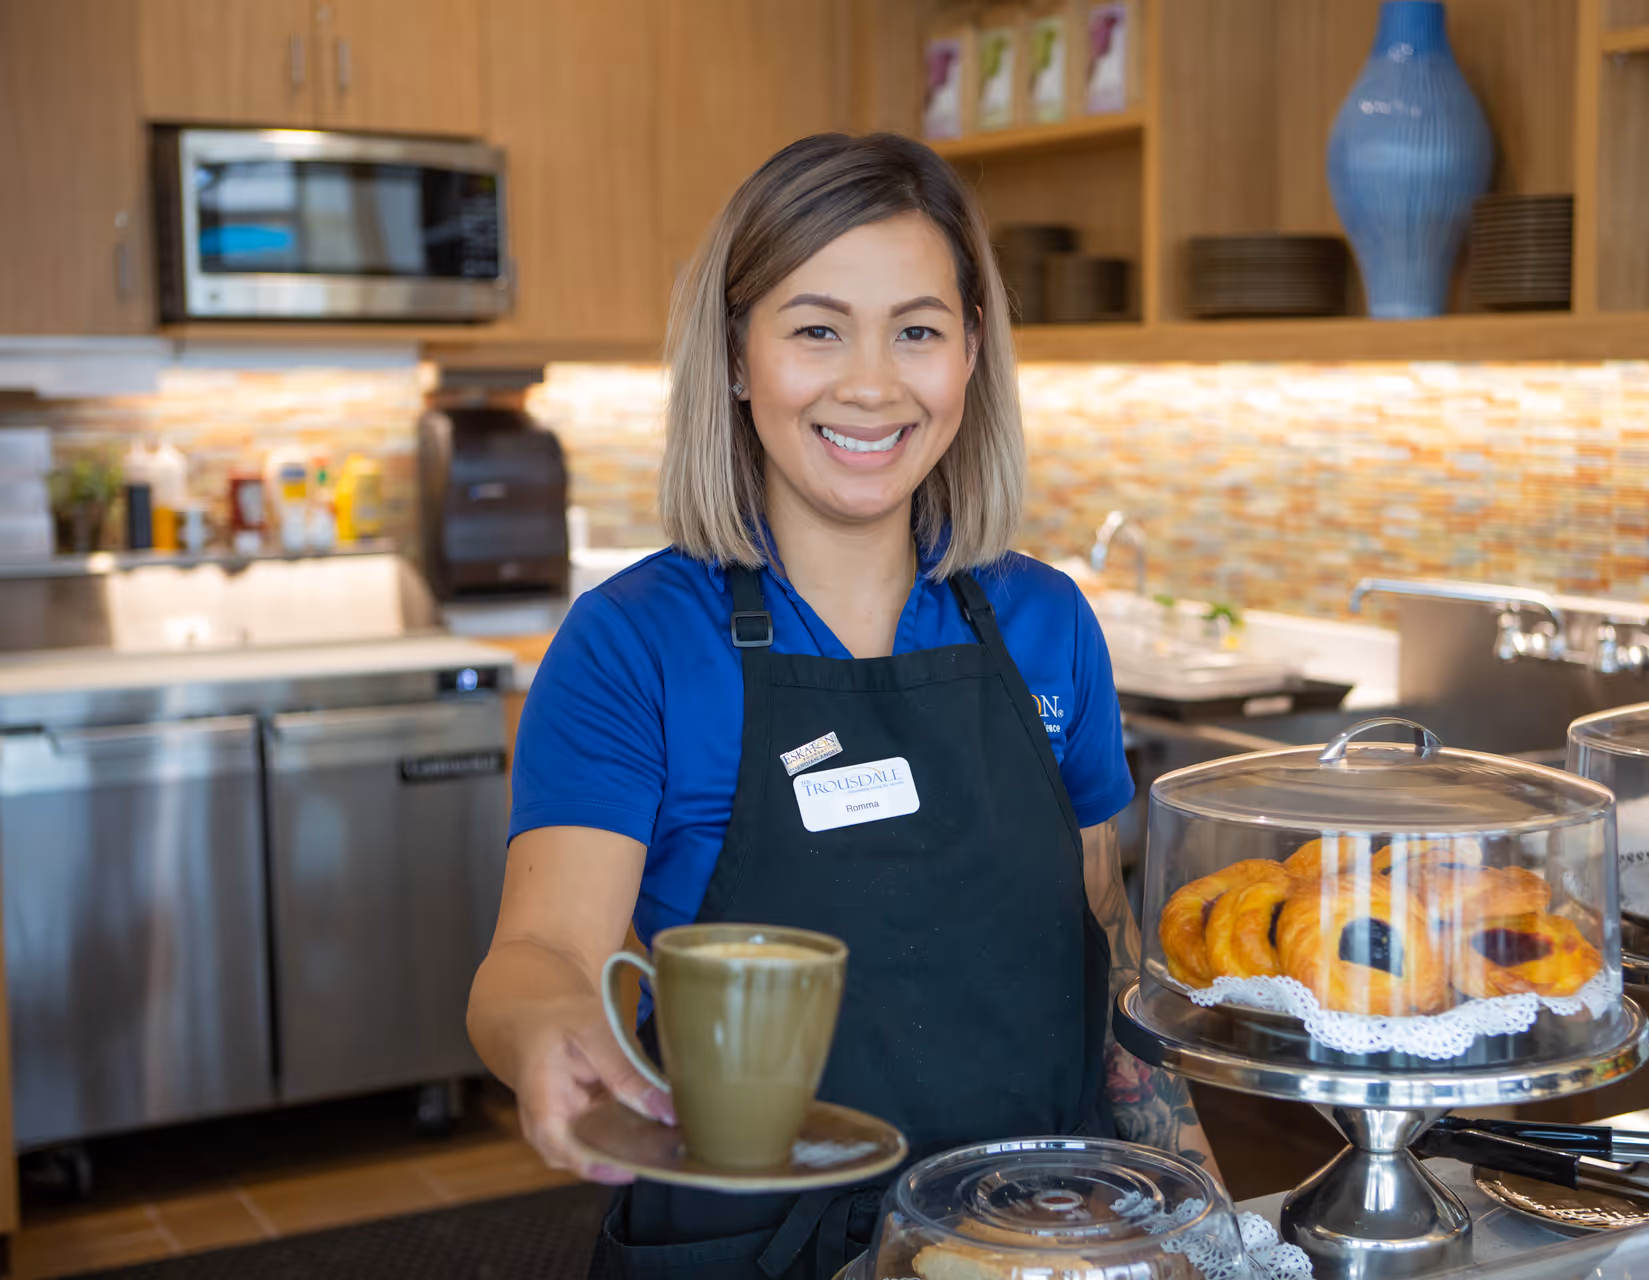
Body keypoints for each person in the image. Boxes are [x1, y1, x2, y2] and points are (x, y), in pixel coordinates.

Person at [467, 131, 1218, 1280]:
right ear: (735, 355)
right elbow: (542, 950)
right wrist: (542, 1033)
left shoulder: (1044, 622)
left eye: (917, 330)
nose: (871, 383)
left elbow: (1098, 946)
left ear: (971, 354)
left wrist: (1197, 1209)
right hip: (756, 1249)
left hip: (1036, 1240)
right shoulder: (636, 643)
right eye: (817, 328)